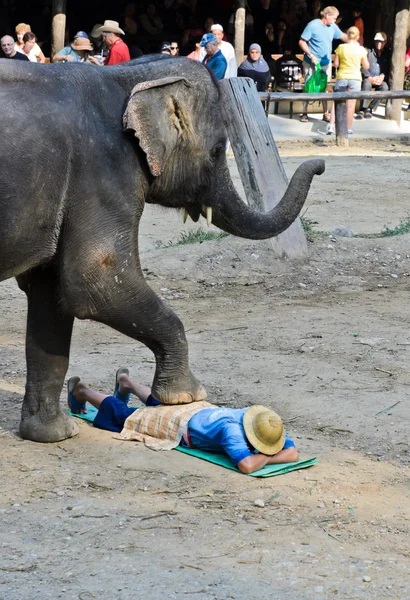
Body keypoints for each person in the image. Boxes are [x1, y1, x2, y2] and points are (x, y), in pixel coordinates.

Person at [67, 371, 299, 475]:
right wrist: (268, 457)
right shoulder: (233, 432)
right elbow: (247, 466)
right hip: (180, 424)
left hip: (200, 409)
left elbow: (293, 454)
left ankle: (127, 383)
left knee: (162, 401)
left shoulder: (262, 419)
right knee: (128, 416)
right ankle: (83, 391)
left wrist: (265, 456)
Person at [298, 5, 347, 122]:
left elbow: (343, 36)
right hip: (312, 62)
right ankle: (304, 113)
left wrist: (354, 39)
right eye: (334, 18)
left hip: (326, 63)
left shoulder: (333, 27)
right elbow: (301, 41)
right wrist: (311, 55)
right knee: (309, 87)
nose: (336, 20)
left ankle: (325, 113)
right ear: (327, 15)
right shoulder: (313, 25)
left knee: (324, 87)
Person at [326, 26, 369, 135]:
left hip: (342, 77)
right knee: (350, 105)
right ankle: (348, 128)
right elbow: (366, 66)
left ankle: (331, 125)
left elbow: (336, 64)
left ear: (347, 35)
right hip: (355, 78)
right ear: (358, 37)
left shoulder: (341, 47)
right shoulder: (361, 49)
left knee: (337, 102)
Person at [356, 32, 390, 120]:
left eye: (381, 42)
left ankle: (370, 108)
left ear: (385, 42)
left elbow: (389, 67)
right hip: (369, 77)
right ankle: (362, 109)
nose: (379, 43)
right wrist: (369, 77)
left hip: (380, 79)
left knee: (385, 87)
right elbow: (363, 66)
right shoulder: (368, 51)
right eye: (377, 41)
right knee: (366, 84)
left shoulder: (388, 52)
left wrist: (382, 76)